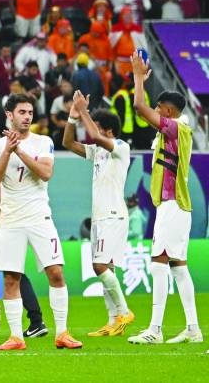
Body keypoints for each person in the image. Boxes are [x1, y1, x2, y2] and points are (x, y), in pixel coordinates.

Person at [0, 94, 82, 351]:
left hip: (39, 217)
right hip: (11, 220)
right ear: (9, 114)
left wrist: (19, 149)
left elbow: (45, 173)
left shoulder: (43, 142)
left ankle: (62, 332)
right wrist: (8, 150)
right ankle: (16, 337)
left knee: (56, 272)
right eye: (22, 112)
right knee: (10, 278)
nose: (27, 117)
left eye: (30, 112)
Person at [127, 52, 201, 345]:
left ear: (168, 112)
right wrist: (141, 83)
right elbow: (142, 108)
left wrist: (137, 79)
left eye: (160, 108)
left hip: (173, 205)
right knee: (177, 266)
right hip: (176, 206)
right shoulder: (175, 128)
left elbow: (139, 107)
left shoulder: (176, 128)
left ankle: (155, 330)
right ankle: (193, 328)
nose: (155, 112)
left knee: (158, 261)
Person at [62, 91, 133, 337]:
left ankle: (124, 311)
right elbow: (68, 144)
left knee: (99, 266)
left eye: (99, 128)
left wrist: (84, 111)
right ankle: (113, 321)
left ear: (109, 131)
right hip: (100, 216)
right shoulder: (98, 152)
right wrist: (73, 118)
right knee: (107, 268)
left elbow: (92, 134)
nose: (92, 133)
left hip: (113, 215)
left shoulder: (121, 148)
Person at [0, 128, 48, 338]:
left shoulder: (1, 165)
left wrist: (1, 222)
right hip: (0, 225)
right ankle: (36, 320)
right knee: (15, 274)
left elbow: (1, 194)